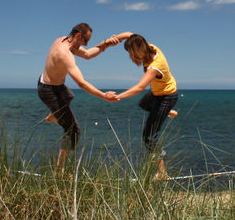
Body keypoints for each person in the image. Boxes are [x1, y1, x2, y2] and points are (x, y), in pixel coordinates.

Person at [38, 23, 120, 170]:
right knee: (73, 131)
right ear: (77, 36)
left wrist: (106, 45)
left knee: (68, 96)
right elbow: (81, 83)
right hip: (48, 91)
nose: (87, 44)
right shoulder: (64, 54)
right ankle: (59, 171)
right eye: (85, 40)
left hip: (55, 86)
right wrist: (103, 95)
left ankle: (54, 115)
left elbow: (88, 54)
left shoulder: (64, 40)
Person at [111, 32, 178, 180]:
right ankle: (167, 112)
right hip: (156, 93)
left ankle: (162, 172)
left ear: (137, 50)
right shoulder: (150, 47)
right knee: (143, 104)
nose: (130, 57)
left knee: (149, 136)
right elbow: (131, 34)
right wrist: (115, 38)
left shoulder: (155, 66)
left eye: (130, 53)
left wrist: (117, 96)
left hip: (166, 97)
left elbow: (139, 88)